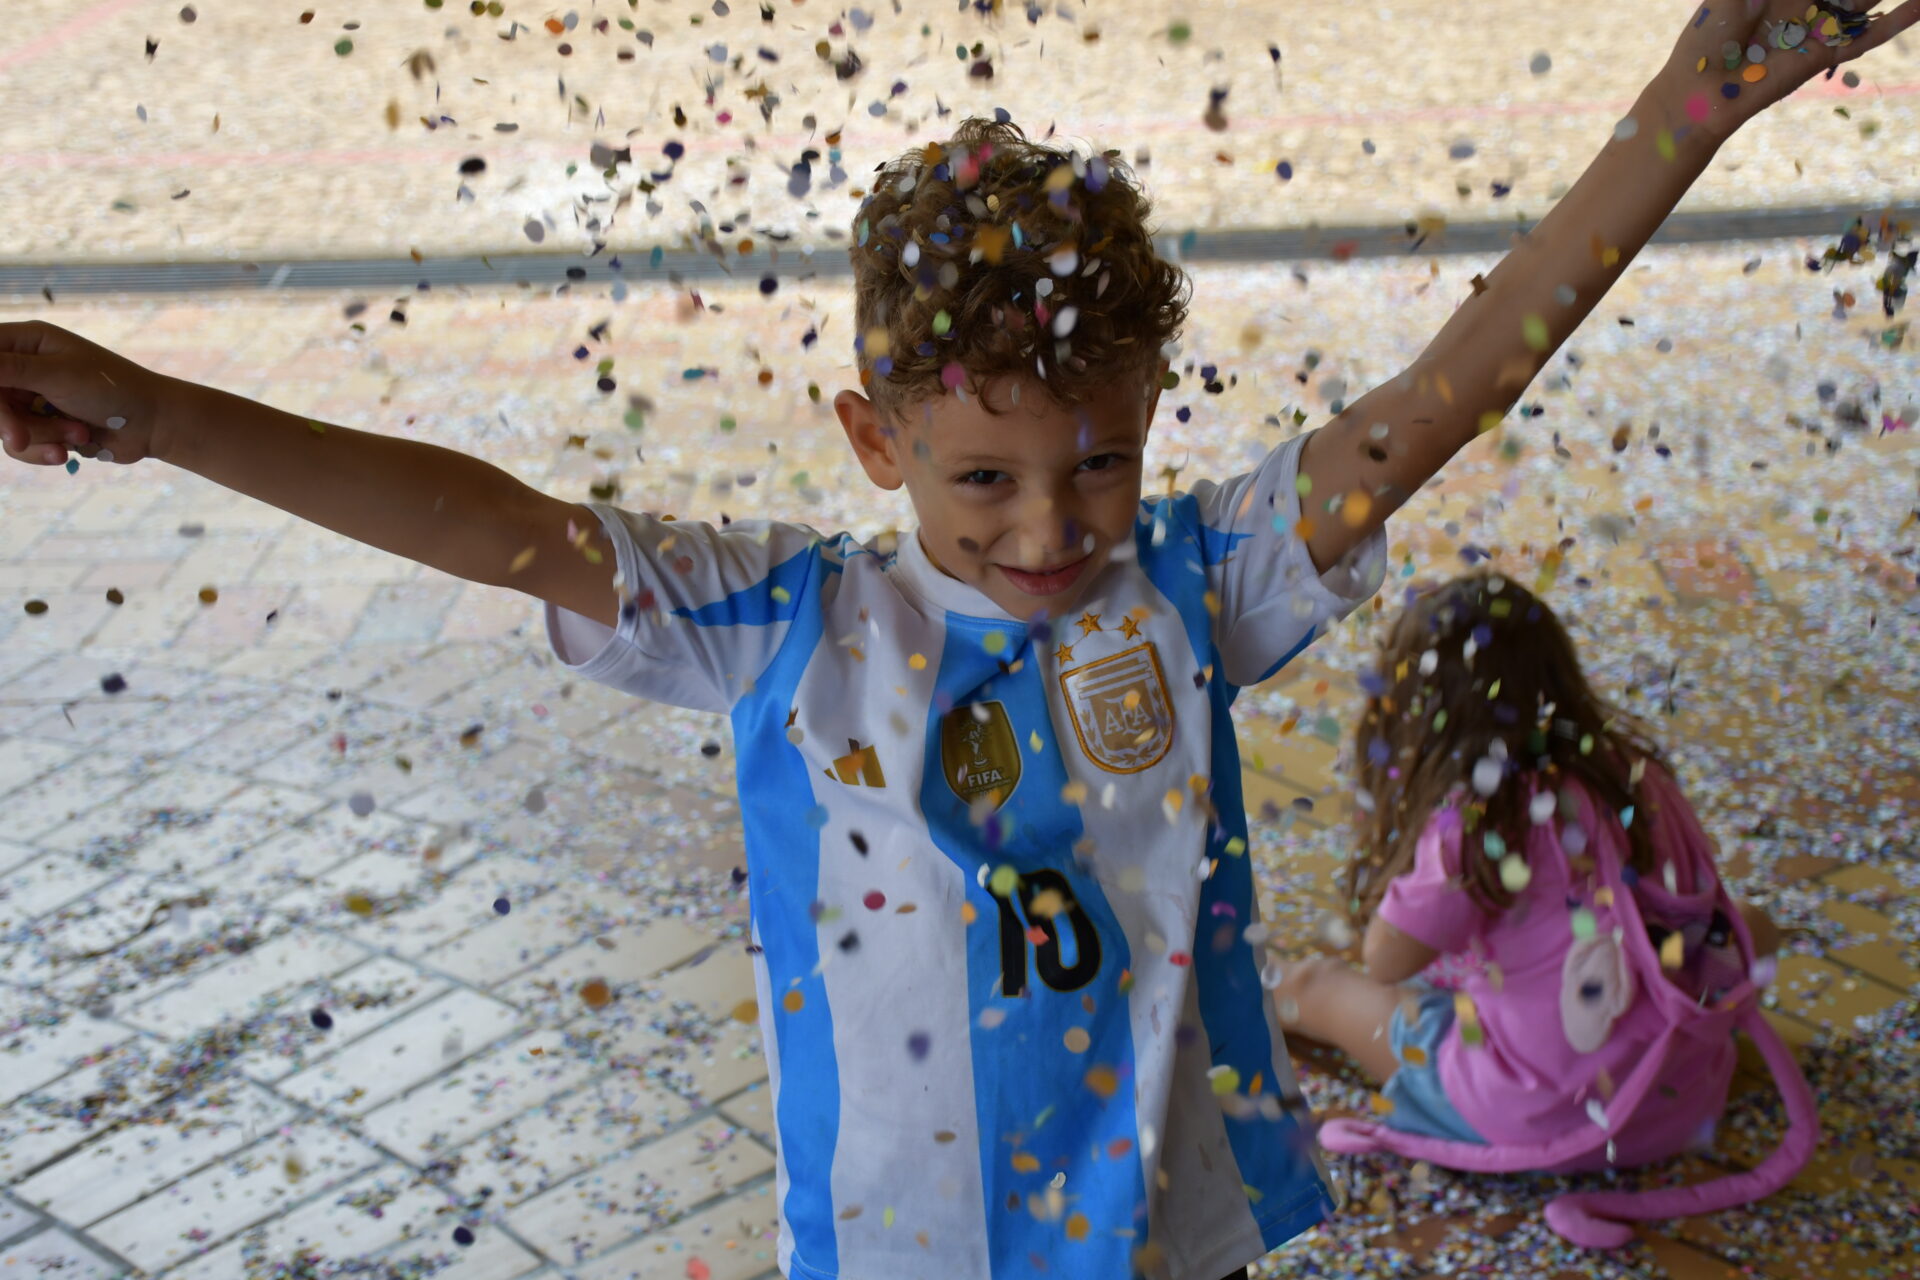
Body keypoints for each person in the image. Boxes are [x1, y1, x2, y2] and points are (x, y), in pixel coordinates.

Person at [1, 4, 1909, 1276]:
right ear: (874, 438)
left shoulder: (1194, 585)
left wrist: (1692, 108)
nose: (1052, 528)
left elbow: (1434, 404)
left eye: (1099, 461)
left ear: (1155, 411)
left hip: (1167, 1238)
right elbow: (497, 530)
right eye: (984, 478)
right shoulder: (783, 630)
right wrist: (161, 412)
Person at [1276, 571, 1809, 1248]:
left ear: (1420, 713)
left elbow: (1384, 959)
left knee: (1315, 987)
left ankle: (1244, 1005)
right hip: (1676, 1098)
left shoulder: (1474, 822)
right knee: (1748, 923)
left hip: (1531, 1114)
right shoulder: (1635, 774)